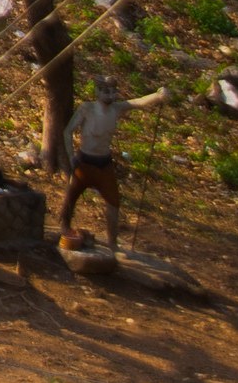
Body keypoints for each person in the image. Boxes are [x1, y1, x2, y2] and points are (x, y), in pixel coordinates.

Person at [58, 71, 168, 252]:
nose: (109, 95)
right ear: (97, 92)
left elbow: (138, 102)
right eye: (105, 91)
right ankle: (65, 230)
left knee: (113, 203)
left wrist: (158, 96)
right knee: (71, 197)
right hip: (84, 161)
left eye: (112, 91)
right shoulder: (87, 109)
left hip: (104, 163)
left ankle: (112, 242)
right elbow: (67, 132)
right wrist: (71, 157)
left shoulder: (116, 109)